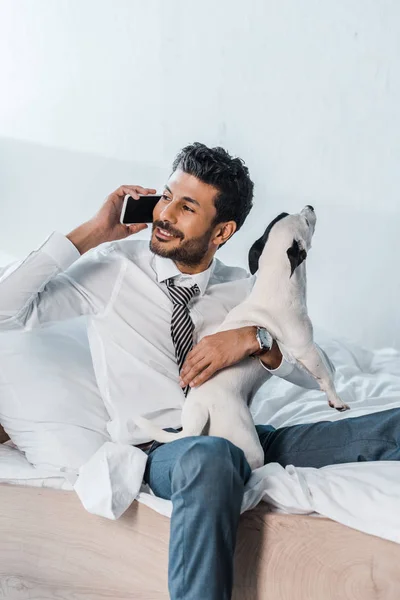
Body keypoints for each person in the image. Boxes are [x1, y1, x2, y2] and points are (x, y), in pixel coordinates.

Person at [0, 142, 398, 600]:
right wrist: (93, 232)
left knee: (386, 427)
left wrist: (253, 340)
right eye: (166, 196)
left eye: (186, 207)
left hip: (246, 433)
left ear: (222, 231)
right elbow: (7, 311)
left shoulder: (240, 290)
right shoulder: (114, 271)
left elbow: (312, 375)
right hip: (163, 449)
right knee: (211, 457)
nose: (164, 213)